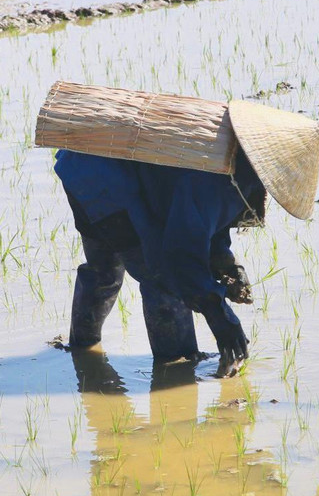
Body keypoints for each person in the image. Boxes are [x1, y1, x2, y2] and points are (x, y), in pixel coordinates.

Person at [54, 148, 263, 376]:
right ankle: (176, 367)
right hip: (105, 180)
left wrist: (227, 263)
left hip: (79, 164)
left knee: (103, 271)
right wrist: (218, 313)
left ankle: (82, 352)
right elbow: (180, 254)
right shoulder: (224, 180)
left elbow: (202, 219)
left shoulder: (229, 157)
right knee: (163, 283)